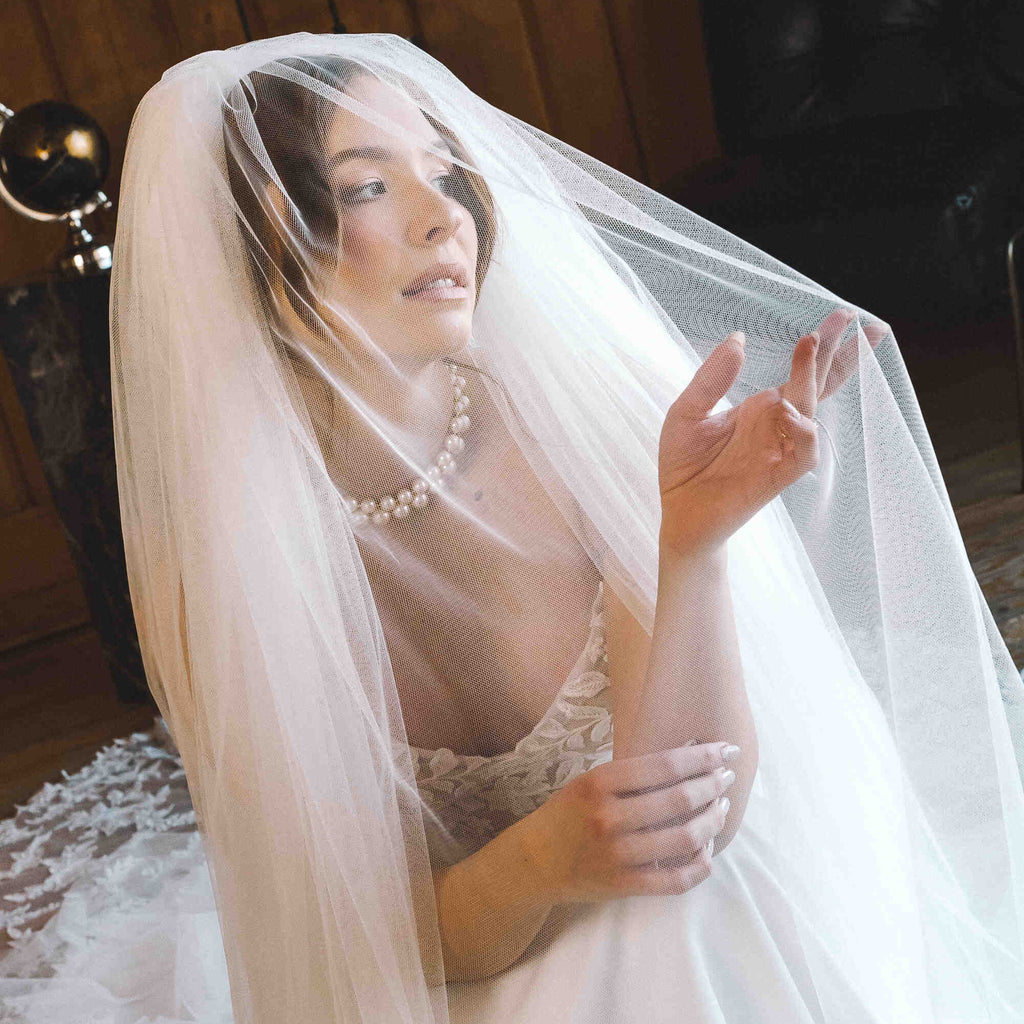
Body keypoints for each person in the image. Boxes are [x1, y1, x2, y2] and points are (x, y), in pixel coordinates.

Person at [2, 31, 1023, 1023]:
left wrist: (692, 542)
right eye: (366, 186)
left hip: (716, 885)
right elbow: (377, 940)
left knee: (686, 927)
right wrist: (541, 859)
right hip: (478, 951)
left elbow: (703, 818)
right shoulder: (223, 571)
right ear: (260, 238)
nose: (442, 218)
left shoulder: (588, 410)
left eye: (445, 174)